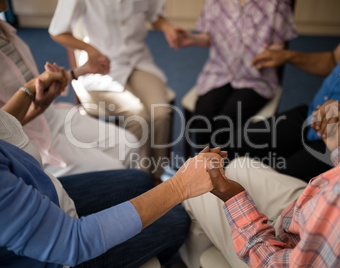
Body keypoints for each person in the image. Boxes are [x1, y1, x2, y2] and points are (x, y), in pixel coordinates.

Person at [180, 0, 340, 266]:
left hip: (290, 243)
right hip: (320, 136)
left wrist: (235, 201)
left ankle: (194, 258)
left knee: (199, 188)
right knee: (236, 161)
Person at [0, 58, 202, 267]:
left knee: (139, 179)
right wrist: (178, 187)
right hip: (60, 255)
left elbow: (3, 124)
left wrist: (29, 91)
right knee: (177, 219)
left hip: (43, 190)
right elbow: (72, 242)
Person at [228, 0, 340, 182]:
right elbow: (334, 60)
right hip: (313, 114)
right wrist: (286, 56)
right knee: (236, 145)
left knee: (275, 182)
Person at [49, 0, 182, 183]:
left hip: (138, 60)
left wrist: (168, 28)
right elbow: (57, 32)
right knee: (137, 115)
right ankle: (138, 179)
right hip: (101, 66)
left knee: (160, 112)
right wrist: (89, 49)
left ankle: (156, 176)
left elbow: (155, 16)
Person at [0, 5, 140, 178]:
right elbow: (3, 132)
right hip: (26, 139)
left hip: (50, 116)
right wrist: (34, 101)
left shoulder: (6, 32)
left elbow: (34, 84)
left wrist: (78, 72)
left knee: (129, 144)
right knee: (115, 172)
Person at [177, 0, 297, 150]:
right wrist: (192, 38)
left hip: (256, 78)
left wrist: (269, 55)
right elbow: (209, 38)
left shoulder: (276, 4)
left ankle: (223, 169)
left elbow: (280, 46)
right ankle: (202, 165)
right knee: (204, 113)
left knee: (226, 120)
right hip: (219, 72)